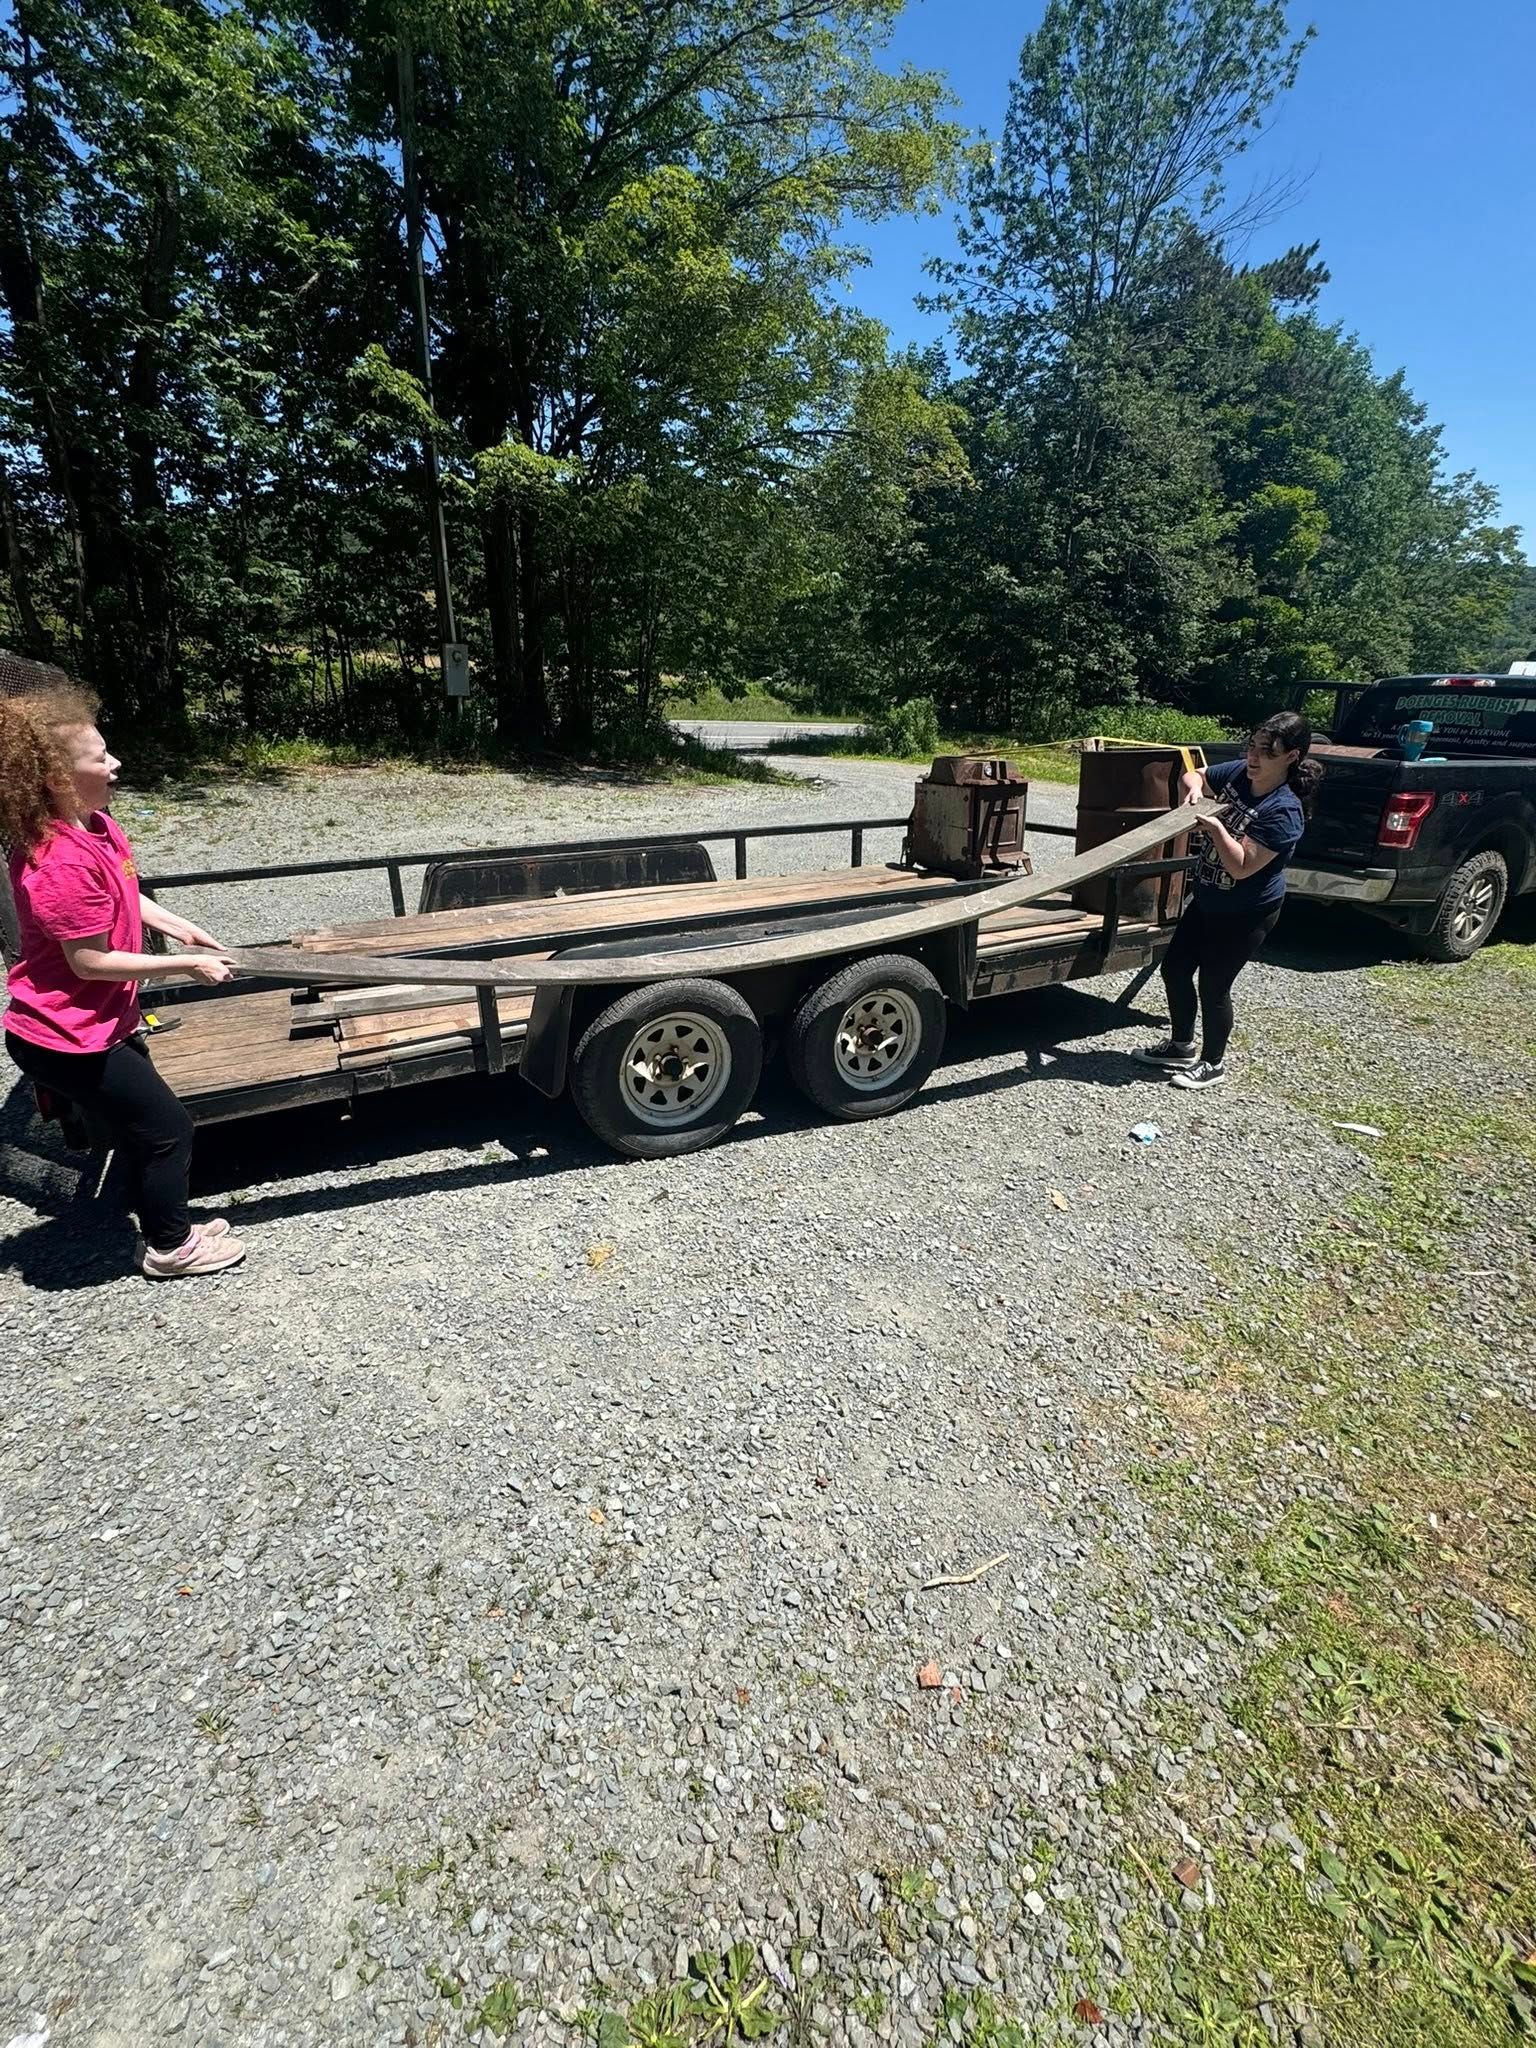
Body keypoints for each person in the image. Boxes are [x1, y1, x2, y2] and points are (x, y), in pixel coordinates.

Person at [1, 685, 246, 1277]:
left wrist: (182, 928)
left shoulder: (97, 827)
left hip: (99, 1022)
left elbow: (125, 895)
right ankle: (171, 1247)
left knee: (142, 1127)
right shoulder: (57, 860)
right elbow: (89, 961)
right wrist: (187, 967)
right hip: (64, 1035)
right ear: (59, 777)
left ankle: (162, 1216)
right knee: (168, 1130)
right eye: (100, 758)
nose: (115, 765)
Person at [1134, 711, 1321, 1092]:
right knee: (1174, 968)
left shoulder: (1284, 811)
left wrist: (1217, 827)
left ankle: (1212, 1063)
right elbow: (1197, 773)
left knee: (1214, 986)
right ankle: (1181, 1045)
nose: (1254, 758)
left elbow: (1241, 867)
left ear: (1292, 757)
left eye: (1267, 752)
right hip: (1206, 897)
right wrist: (1194, 790)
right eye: (1252, 747)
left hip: (1246, 913)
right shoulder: (1240, 773)